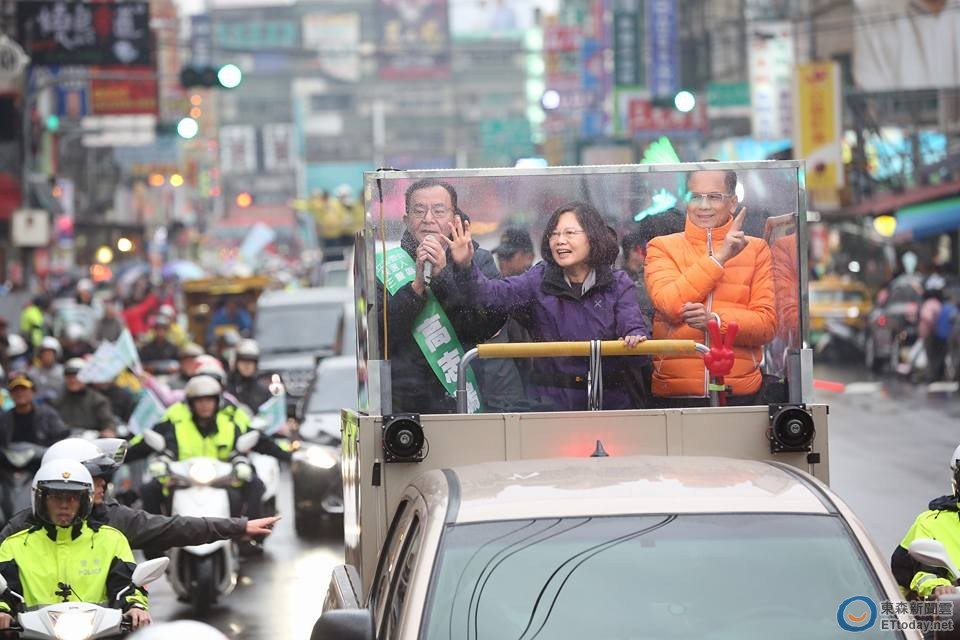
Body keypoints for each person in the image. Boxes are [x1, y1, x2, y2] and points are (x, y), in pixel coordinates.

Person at [450, 201, 649, 411]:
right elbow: (491, 295)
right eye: (554, 234)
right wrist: (465, 266)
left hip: (611, 402)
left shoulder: (617, 283)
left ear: (593, 237)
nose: (560, 241)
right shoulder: (538, 279)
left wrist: (634, 336)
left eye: (569, 233)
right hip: (550, 404)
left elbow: (632, 324)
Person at [0, 438, 280, 551]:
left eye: (102, 479)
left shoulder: (112, 519)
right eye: (93, 479)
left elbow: (175, 527)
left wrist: (239, 526)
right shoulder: (19, 530)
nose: (102, 485)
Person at [644, 167, 776, 404]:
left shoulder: (756, 249)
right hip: (676, 392)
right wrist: (720, 258)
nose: (703, 206)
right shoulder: (661, 246)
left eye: (714, 197)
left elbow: (766, 325)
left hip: (740, 392)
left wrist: (714, 321)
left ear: (733, 203)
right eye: (696, 196)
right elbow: (670, 305)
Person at [378, 178, 507, 414]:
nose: (428, 219)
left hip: (466, 396)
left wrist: (444, 277)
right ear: (406, 220)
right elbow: (380, 334)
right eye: (419, 211)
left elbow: (488, 325)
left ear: (454, 218)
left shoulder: (478, 260)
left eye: (438, 211)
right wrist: (417, 287)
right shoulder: (387, 267)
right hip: (407, 405)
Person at [0, 460, 151, 631]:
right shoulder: (14, 545)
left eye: (73, 498)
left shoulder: (112, 540)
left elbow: (126, 585)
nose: (64, 505)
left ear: (84, 501)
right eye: (56, 497)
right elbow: (5, 590)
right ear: (41, 500)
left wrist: (135, 607)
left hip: (100, 634)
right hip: (31, 634)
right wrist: (3, 611)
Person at [126, 376, 291, 522]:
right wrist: (121, 455)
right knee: (149, 490)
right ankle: (155, 540)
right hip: (181, 479)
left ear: (217, 401)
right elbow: (148, 441)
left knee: (255, 485)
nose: (204, 405)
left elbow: (260, 440)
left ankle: (250, 536)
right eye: (199, 401)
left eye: (209, 400)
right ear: (190, 403)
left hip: (224, 479)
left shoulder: (230, 420)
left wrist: (289, 455)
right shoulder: (175, 419)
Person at [892, 443, 960, 600]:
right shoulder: (931, 523)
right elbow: (926, 571)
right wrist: (939, 587)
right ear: (956, 481)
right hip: (931, 610)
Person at [0, 373, 68, 447]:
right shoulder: (4, 419)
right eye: (15, 390)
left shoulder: (48, 415)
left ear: (34, 391)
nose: (19, 393)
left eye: (24, 389)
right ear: (10, 394)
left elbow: (62, 437)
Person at [52, 358, 117, 435]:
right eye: (69, 377)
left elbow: (108, 422)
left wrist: (109, 431)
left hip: (91, 439)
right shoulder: (59, 399)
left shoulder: (97, 400)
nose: (72, 380)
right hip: (65, 438)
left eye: (76, 376)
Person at [227, 339, 272, 412]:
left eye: (251, 361)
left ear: (256, 364)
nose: (247, 365)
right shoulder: (228, 387)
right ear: (236, 363)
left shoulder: (263, 390)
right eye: (243, 360)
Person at [27, 336, 63, 403]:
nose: (47, 356)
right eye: (44, 353)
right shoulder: (32, 372)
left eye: (50, 354)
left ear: (56, 355)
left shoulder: (62, 372)